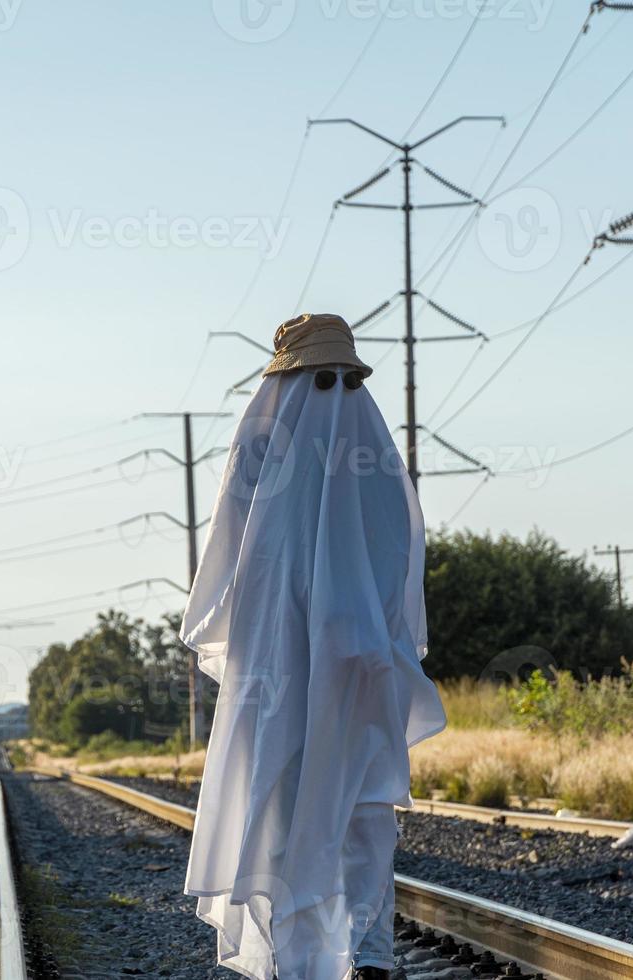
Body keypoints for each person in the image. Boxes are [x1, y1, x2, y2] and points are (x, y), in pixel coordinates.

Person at [180, 313, 447, 980]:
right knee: (362, 806)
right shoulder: (370, 439)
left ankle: (304, 963)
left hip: (284, 666)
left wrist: (227, 629)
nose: (332, 391)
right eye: (323, 378)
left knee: (287, 803)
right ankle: (368, 954)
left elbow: (227, 558)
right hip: (356, 662)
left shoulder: (263, 439)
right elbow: (399, 552)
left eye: (339, 380)